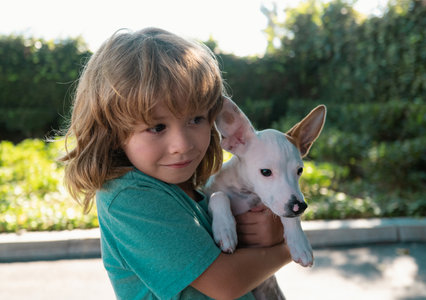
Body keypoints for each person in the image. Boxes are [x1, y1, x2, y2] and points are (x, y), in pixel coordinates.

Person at [61, 27, 291, 300]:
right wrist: (286, 249)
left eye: (196, 119)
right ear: (112, 132)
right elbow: (225, 284)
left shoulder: (190, 188)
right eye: (157, 126)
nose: (182, 144)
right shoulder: (129, 196)